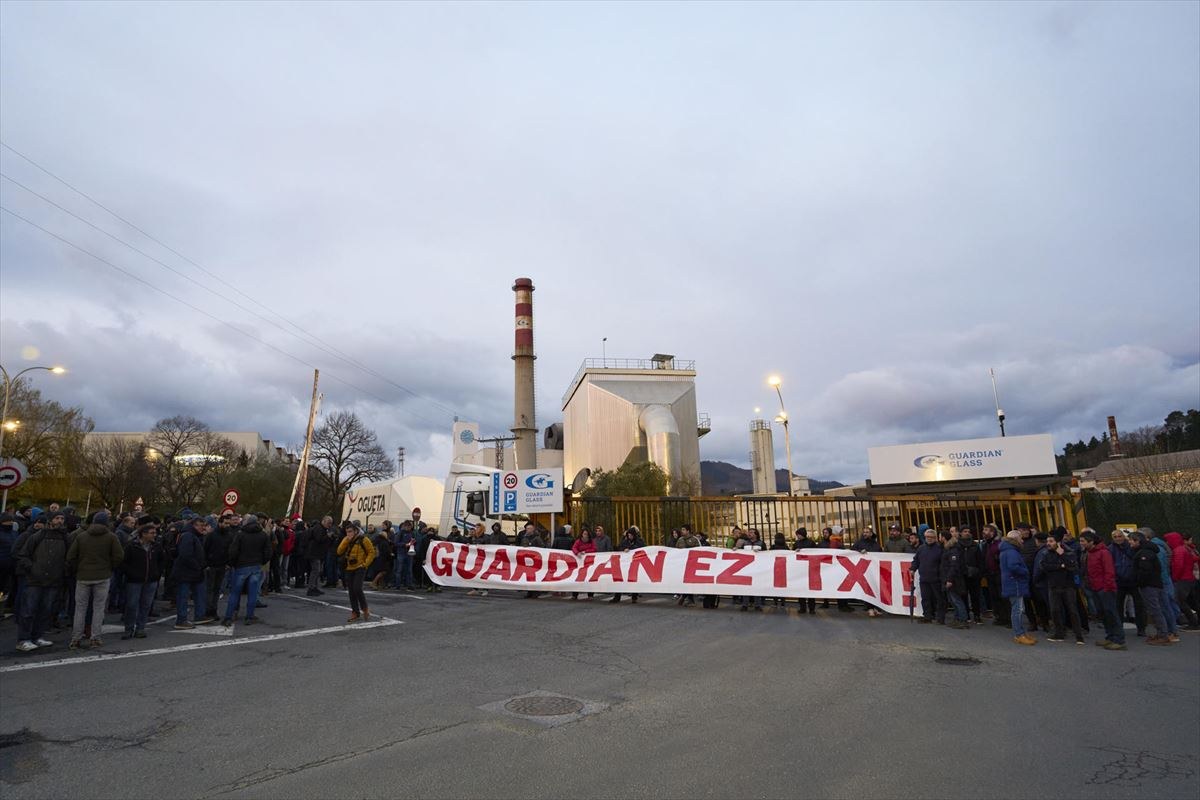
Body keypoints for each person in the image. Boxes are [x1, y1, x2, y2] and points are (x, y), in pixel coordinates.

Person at [14, 511, 69, 652]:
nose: (60, 521)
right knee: (29, 610)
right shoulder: (37, 536)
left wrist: (63, 571)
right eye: (57, 518)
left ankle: (38, 636)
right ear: (50, 520)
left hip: (53, 580)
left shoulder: (65, 538)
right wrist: (32, 568)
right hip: (35, 580)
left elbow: (68, 558)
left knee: (45, 611)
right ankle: (23, 639)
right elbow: (23, 555)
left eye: (62, 518)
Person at [65, 520, 124, 649]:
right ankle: (95, 638)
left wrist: (78, 568)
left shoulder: (82, 536)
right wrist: (109, 567)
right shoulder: (111, 537)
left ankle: (76, 638)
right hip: (103, 575)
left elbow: (71, 556)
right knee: (99, 608)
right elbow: (119, 556)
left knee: (80, 608)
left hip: (83, 575)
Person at [222, 515, 272, 626]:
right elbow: (268, 551)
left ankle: (228, 616)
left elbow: (233, 551)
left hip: (241, 566)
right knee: (252, 593)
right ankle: (249, 616)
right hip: (256, 565)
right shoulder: (263, 535)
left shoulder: (241, 534)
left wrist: (233, 563)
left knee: (235, 593)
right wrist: (262, 561)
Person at [1081, 531, 1124, 650]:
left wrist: (1107, 588)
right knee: (1103, 614)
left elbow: (1109, 572)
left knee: (1111, 613)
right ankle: (1110, 636)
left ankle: (1119, 640)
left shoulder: (1104, 552)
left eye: (1083, 541)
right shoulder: (1089, 553)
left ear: (1091, 541)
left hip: (1105, 589)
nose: (1081, 543)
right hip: (1095, 588)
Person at [1130, 530, 1173, 645]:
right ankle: (1161, 633)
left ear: (1137, 541)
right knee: (1157, 609)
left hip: (1149, 585)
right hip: (1154, 584)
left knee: (1155, 610)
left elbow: (1145, 571)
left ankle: (1163, 635)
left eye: (1131, 541)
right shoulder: (1149, 551)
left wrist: (1139, 582)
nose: (1130, 543)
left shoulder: (1145, 553)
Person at [121, 523, 163, 640]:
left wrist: (157, 573)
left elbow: (162, 560)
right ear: (143, 534)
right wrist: (131, 573)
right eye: (152, 533)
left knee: (146, 605)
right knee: (132, 605)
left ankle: (141, 628)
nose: (154, 535)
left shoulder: (156, 546)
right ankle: (129, 628)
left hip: (151, 580)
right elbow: (124, 562)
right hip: (134, 581)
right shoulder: (131, 546)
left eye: (155, 533)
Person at [1041, 532, 1084, 644]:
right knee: (1055, 610)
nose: (1048, 543)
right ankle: (1059, 633)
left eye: (1051, 541)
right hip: (1053, 585)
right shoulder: (1046, 553)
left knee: (1072, 610)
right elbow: (1044, 567)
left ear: (1058, 543)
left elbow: (1072, 566)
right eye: (1047, 541)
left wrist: (1062, 555)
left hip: (1068, 586)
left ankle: (1079, 636)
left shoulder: (1068, 552)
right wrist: (1060, 566)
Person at [172, 517, 210, 630]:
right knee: (183, 596)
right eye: (201, 525)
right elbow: (185, 555)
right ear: (194, 525)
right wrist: (197, 566)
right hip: (186, 571)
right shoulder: (188, 536)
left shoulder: (195, 536)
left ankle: (199, 615)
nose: (203, 528)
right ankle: (181, 620)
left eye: (204, 525)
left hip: (193, 571)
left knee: (199, 593)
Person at [1000, 531, 1036, 645]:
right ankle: (1019, 634)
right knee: (1018, 610)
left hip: (1011, 582)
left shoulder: (1006, 550)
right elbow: (1013, 567)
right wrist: (1025, 571)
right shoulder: (1012, 551)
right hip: (1015, 583)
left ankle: (1021, 633)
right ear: (1015, 539)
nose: (1022, 541)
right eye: (1020, 538)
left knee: (1018, 609)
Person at [1109, 529, 1146, 637]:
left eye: (1119, 536)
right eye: (1115, 537)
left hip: (1133, 580)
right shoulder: (1110, 549)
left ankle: (1141, 628)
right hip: (1119, 580)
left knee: (1139, 605)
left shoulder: (1131, 546)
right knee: (1118, 605)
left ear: (1123, 536)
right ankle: (1118, 627)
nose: (1117, 538)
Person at [337, 522, 376, 622]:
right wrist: (346, 540)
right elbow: (339, 551)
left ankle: (365, 608)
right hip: (349, 567)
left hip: (360, 567)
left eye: (350, 531)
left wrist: (365, 564)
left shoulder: (364, 539)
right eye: (347, 532)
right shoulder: (346, 540)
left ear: (355, 531)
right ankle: (355, 612)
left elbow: (372, 552)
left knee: (357, 588)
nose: (348, 533)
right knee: (351, 591)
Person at [1164, 532, 1199, 630]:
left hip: (1183, 579)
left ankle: (1193, 623)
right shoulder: (1185, 549)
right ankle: (1196, 622)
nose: (1167, 543)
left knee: (1180, 601)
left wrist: (1175, 577)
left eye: (1168, 540)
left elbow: (1178, 566)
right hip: (1190, 578)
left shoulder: (1178, 550)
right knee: (1192, 602)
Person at [203, 513, 234, 620]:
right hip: (211, 565)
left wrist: (228, 563)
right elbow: (205, 550)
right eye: (225, 523)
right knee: (209, 589)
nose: (227, 525)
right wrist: (206, 564)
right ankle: (207, 610)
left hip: (222, 566)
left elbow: (230, 551)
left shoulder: (229, 536)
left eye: (228, 524)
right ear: (220, 523)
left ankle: (213, 610)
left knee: (217, 589)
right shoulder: (211, 535)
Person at [910, 527, 943, 624]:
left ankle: (940, 617)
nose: (929, 539)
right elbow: (916, 560)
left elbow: (943, 563)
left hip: (936, 578)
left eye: (931, 537)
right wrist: (912, 568)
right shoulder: (921, 548)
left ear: (935, 538)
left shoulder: (940, 549)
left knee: (938, 599)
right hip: (924, 578)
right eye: (927, 537)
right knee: (925, 598)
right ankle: (927, 616)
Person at [938, 529, 969, 629]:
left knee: (956, 600)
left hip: (954, 579)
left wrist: (949, 579)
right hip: (948, 578)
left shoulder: (953, 549)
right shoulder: (947, 548)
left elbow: (954, 566)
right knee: (952, 600)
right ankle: (957, 618)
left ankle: (963, 620)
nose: (939, 538)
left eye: (940, 536)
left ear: (943, 538)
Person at [610, 526, 645, 604]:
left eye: (631, 535)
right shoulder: (625, 542)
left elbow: (643, 549)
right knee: (619, 579)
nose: (630, 536)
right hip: (624, 564)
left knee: (633, 580)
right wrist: (623, 550)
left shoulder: (639, 541)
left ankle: (634, 597)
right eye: (628, 535)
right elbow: (619, 548)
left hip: (635, 564)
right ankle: (617, 597)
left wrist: (632, 549)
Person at [958, 526, 984, 624]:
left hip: (974, 574)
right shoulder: (957, 545)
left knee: (975, 596)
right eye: (965, 531)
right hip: (962, 574)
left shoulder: (975, 545)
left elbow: (980, 560)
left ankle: (977, 615)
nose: (967, 533)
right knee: (963, 595)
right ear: (960, 533)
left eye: (968, 531)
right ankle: (966, 615)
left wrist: (979, 572)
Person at [304, 517, 333, 596]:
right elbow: (319, 539)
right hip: (314, 553)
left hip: (318, 553)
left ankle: (315, 587)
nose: (329, 525)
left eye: (331, 523)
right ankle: (311, 588)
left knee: (318, 571)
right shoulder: (319, 528)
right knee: (315, 570)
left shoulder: (322, 529)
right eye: (328, 523)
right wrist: (328, 536)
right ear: (323, 521)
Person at [675, 525, 700, 607]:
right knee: (684, 581)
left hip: (692, 564)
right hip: (682, 564)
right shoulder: (680, 540)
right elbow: (676, 551)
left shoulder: (694, 539)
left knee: (689, 582)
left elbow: (700, 550)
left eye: (683, 529)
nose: (682, 531)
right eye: (681, 529)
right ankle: (686, 597)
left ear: (688, 531)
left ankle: (688, 598)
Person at [571, 529, 597, 600]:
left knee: (589, 578)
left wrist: (585, 552)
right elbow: (574, 548)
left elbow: (594, 549)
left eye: (587, 534)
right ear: (582, 534)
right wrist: (577, 553)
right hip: (579, 562)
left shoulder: (591, 541)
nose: (585, 535)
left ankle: (590, 595)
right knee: (577, 578)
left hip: (589, 562)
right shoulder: (578, 541)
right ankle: (575, 595)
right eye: (584, 534)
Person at [393, 521, 416, 590]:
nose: (408, 527)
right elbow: (396, 543)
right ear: (404, 526)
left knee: (409, 570)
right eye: (407, 526)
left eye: (409, 526)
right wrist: (404, 545)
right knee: (399, 569)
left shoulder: (412, 533)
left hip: (410, 553)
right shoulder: (400, 533)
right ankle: (397, 585)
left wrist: (414, 542)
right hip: (401, 553)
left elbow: (415, 542)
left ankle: (409, 584)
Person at [769, 532, 790, 607]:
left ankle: (775, 602)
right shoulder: (786, 547)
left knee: (775, 586)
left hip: (775, 568)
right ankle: (783, 602)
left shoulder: (773, 547)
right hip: (783, 569)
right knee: (782, 586)